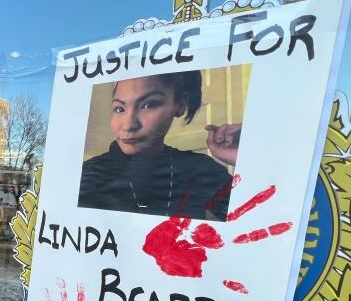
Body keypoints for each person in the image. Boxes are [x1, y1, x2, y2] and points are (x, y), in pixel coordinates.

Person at [78, 70, 241, 220]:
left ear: (180, 104)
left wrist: (238, 158)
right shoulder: (86, 177)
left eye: (148, 105)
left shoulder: (200, 170)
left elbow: (253, 222)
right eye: (120, 108)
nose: (128, 125)